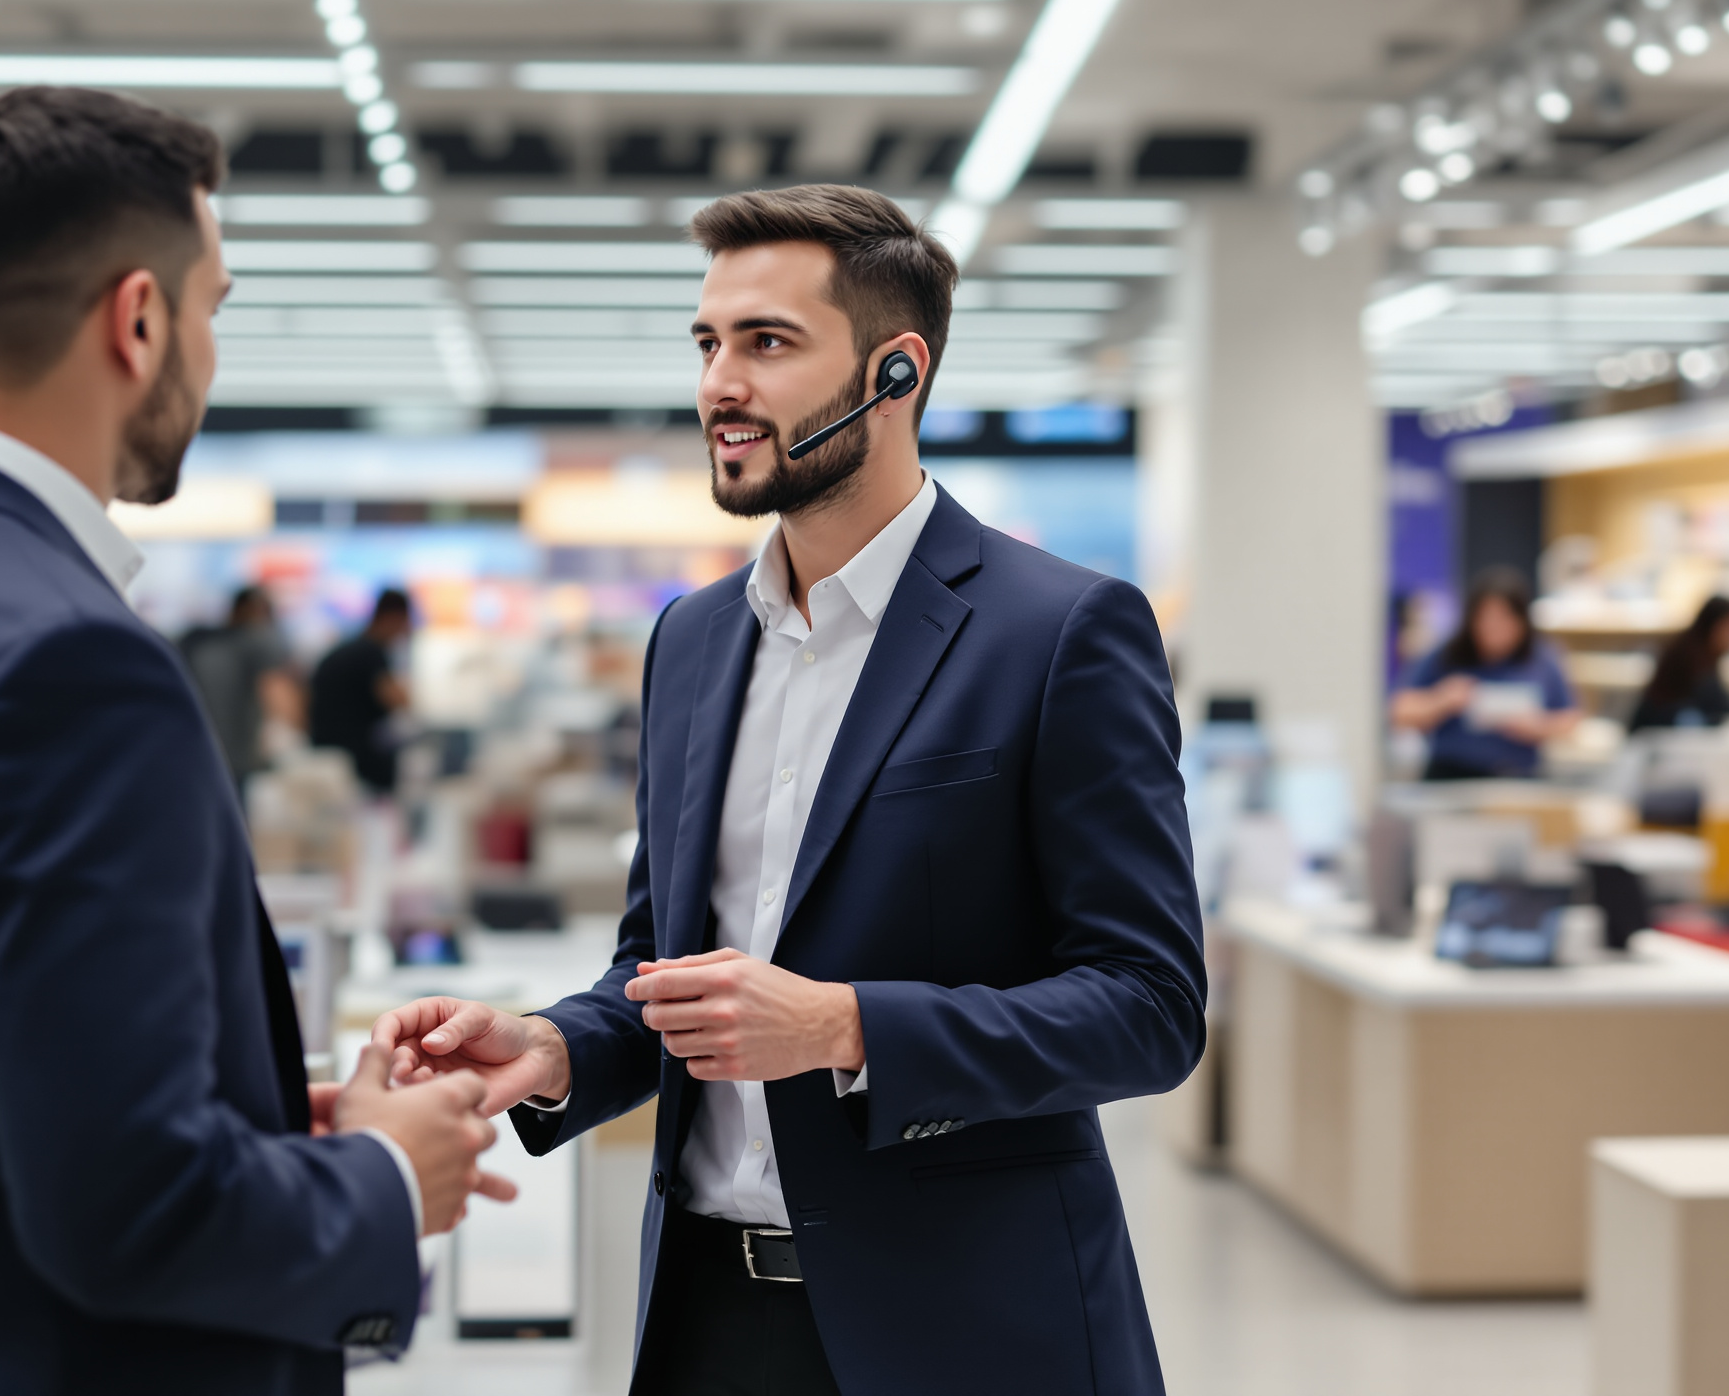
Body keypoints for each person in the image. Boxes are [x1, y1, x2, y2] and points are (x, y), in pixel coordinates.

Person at [370, 185, 1206, 1395]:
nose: (720, 385)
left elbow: (1148, 1004)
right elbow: (662, 964)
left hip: (966, 1324)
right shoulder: (693, 643)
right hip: (711, 1322)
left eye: (767, 343)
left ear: (895, 373)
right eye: (708, 344)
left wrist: (846, 1026)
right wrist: (552, 1045)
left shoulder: (1060, 631)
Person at [0, 86, 504, 1396]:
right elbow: (127, 1207)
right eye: (213, 308)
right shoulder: (71, 665)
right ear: (138, 320)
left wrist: (261, 1133)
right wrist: (383, 1177)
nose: (209, 352)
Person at [1389, 566, 1582, 780]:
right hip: (1451, 775)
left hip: (1519, 776)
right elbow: (1398, 711)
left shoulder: (1542, 658)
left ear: (1521, 622)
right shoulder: (1447, 654)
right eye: (1485, 619)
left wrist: (1537, 726)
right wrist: (1442, 700)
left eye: (1504, 619)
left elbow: (1570, 719)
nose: (1493, 629)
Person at [183, 584, 299, 790]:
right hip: (234, 755)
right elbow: (279, 696)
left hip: (196, 749)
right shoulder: (257, 640)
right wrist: (292, 740)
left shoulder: (198, 640)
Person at [309, 587, 413, 796]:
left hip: (328, 754)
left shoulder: (347, 650)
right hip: (354, 763)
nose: (405, 631)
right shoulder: (371, 653)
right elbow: (398, 700)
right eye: (404, 623)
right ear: (393, 618)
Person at [1629, 595, 1729, 731]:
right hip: (1657, 736)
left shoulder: (1705, 656)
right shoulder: (1689, 656)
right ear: (1714, 625)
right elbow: (1714, 708)